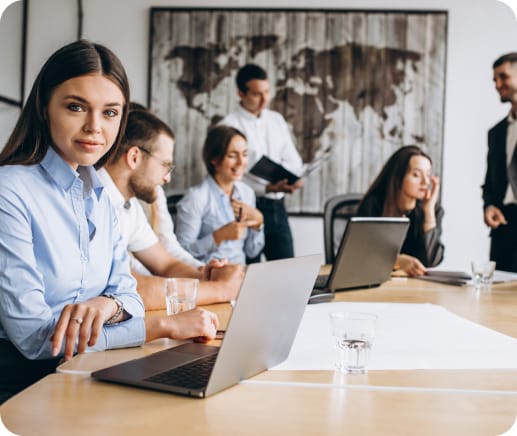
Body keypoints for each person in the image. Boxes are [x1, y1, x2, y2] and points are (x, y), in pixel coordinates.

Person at [0, 40, 218, 403]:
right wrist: (160, 325)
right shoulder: (9, 190)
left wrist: (108, 305)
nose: (94, 127)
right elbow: (37, 340)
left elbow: (127, 292)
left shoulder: (98, 191)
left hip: (89, 370)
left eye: (110, 113)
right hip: (25, 388)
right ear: (44, 107)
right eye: (75, 107)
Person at [99, 109, 244, 310]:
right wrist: (221, 289)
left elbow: (166, 264)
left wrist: (205, 276)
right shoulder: (93, 202)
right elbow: (128, 290)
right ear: (134, 157)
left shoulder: (129, 207)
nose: (167, 179)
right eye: (165, 165)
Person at [221, 64, 304, 262]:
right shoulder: (228, 126)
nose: (265, 99)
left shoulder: (277, 120)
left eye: (267, 92)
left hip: (278, 208)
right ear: (241, 93)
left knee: (287, 270)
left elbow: (294, 160)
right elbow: (228, 177)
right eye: (257, 94)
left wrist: (291, 181)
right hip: (247, 206)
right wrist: (266, 187)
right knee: (250, 272)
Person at [175, 125, 265, 264]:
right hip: (208, 277)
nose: (241, 162)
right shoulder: (195, 198)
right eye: (232, 155)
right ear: (214, 159)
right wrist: (218, 236)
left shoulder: (247, 193)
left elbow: (252, 251)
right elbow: (181, 253)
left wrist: (259, 223)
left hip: (241, 274)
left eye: (245, 154)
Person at [357, 145, 444, 276]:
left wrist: (429, 212)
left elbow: (432, 261)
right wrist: (395, 261)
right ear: (398, 177)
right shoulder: (374, 204)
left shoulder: (430, 209)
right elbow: (361, 256)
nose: (425, 181)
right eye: (416, 175)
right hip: (378, 286)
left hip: (415, 290)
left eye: (428, 175)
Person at [482, 52, 517, 272]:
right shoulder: (496, 132)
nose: (497, 84)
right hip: (504, 229)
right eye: (495, 79)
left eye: (503, 77)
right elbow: (490, 181)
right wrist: (488, 206)